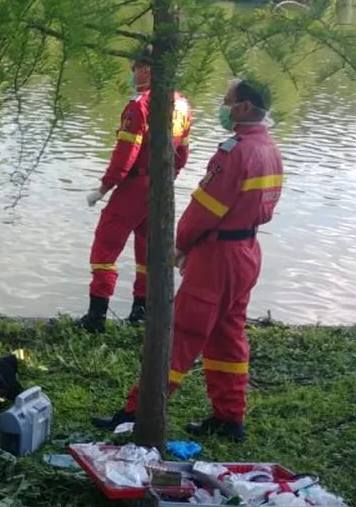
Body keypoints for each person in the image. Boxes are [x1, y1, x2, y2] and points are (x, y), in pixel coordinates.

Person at [93, 78, 284, 441]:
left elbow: (204, 209)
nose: (223, 107)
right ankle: (229, 418)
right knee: (228, 337)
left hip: (217, 257)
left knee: (180, 334)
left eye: (227, 101)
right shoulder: (269, 149)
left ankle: (136, 413)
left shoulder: (235, 152)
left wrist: (180, 244)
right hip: (246, 251)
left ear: (245, 107)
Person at [78, 46, 194, 333]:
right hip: (160, 186)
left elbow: (125, 155)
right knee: (147, 250)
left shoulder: (140, 105)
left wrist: (103, 188)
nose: (132, 74)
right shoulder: (182, 105)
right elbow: (182, 154)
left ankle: (96, 317)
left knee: (105, 246)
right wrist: (167, 180)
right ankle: (140, 311)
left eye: (134, 69)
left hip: (135, 186)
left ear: (146, 70)